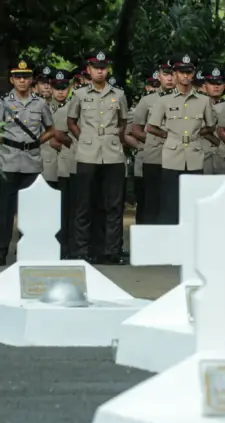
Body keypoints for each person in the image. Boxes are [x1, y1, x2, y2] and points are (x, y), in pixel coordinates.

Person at [66, 50, 129, 265]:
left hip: (112, 154)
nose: (100, 71)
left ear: (107, 69)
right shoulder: (80, 94)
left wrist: (113, 138)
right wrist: (83, 137)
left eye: (103, 68)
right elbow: (71, 121)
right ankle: (82, 250)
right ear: (89, 70)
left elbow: (123, 122)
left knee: (113, 204)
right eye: (96, 68)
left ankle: (111, 250)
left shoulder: (118, 95)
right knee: (84, 203)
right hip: (87, 153)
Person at [147, 52, 217, 225]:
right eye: (181, 72)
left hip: (194, 154)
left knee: (194, 202)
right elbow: (151, 126)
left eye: (189, 72)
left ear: (193, 73)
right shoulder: (164, 101)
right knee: (170, 203)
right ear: (175, 74)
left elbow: (211, 125)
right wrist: (168, 135)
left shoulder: (203, 100)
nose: (185, 76)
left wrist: (197, 133)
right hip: (172, 155)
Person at [0, 58, 57, 266]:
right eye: (18, 77)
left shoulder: (40, 103)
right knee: (4, 212)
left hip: (32, 162)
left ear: (32, 80)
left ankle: (28, 252)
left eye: (25, 77)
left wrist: (35, 142)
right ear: (12, 79)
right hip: (8, 162)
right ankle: (1, 252)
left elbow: (51, 130)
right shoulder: (4, 103)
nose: (22, 81)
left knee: (31, 211)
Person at [132, 59, 175, 224]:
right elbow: (136, 129)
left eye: (172, 74)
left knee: (173, 201)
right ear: (159, 76)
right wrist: (153, 139)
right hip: (154, 156)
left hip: (179, 157)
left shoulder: (188, 99)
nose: (170, 78)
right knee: (151, 201)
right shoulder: (147, 101)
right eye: (166, 74)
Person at [50, 69, 76, 257]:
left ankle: (68, 247)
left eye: (64, 88)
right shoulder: (41, 105)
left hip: (69, 165)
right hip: (48, 165)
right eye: (56, 88)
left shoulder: (75, 106)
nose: (60, 92)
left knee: (69, 209)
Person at [200, 65, 225, 174]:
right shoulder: (197, 105)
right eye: (212, 83)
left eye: (219, 83)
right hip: (202, 156)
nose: (216, 87)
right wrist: (219, 142)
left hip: (224, 158)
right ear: (204, 85)